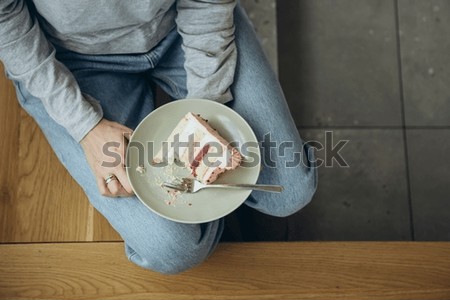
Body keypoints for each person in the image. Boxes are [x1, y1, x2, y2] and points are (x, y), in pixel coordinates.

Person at [0, 0, 317, 274]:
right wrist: (85, 126)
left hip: (181, 29)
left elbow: (206, 6)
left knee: (289, 192)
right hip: (70, 60)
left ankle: (225, 206)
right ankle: (219, 219)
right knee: (175, 249)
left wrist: (206, 106)